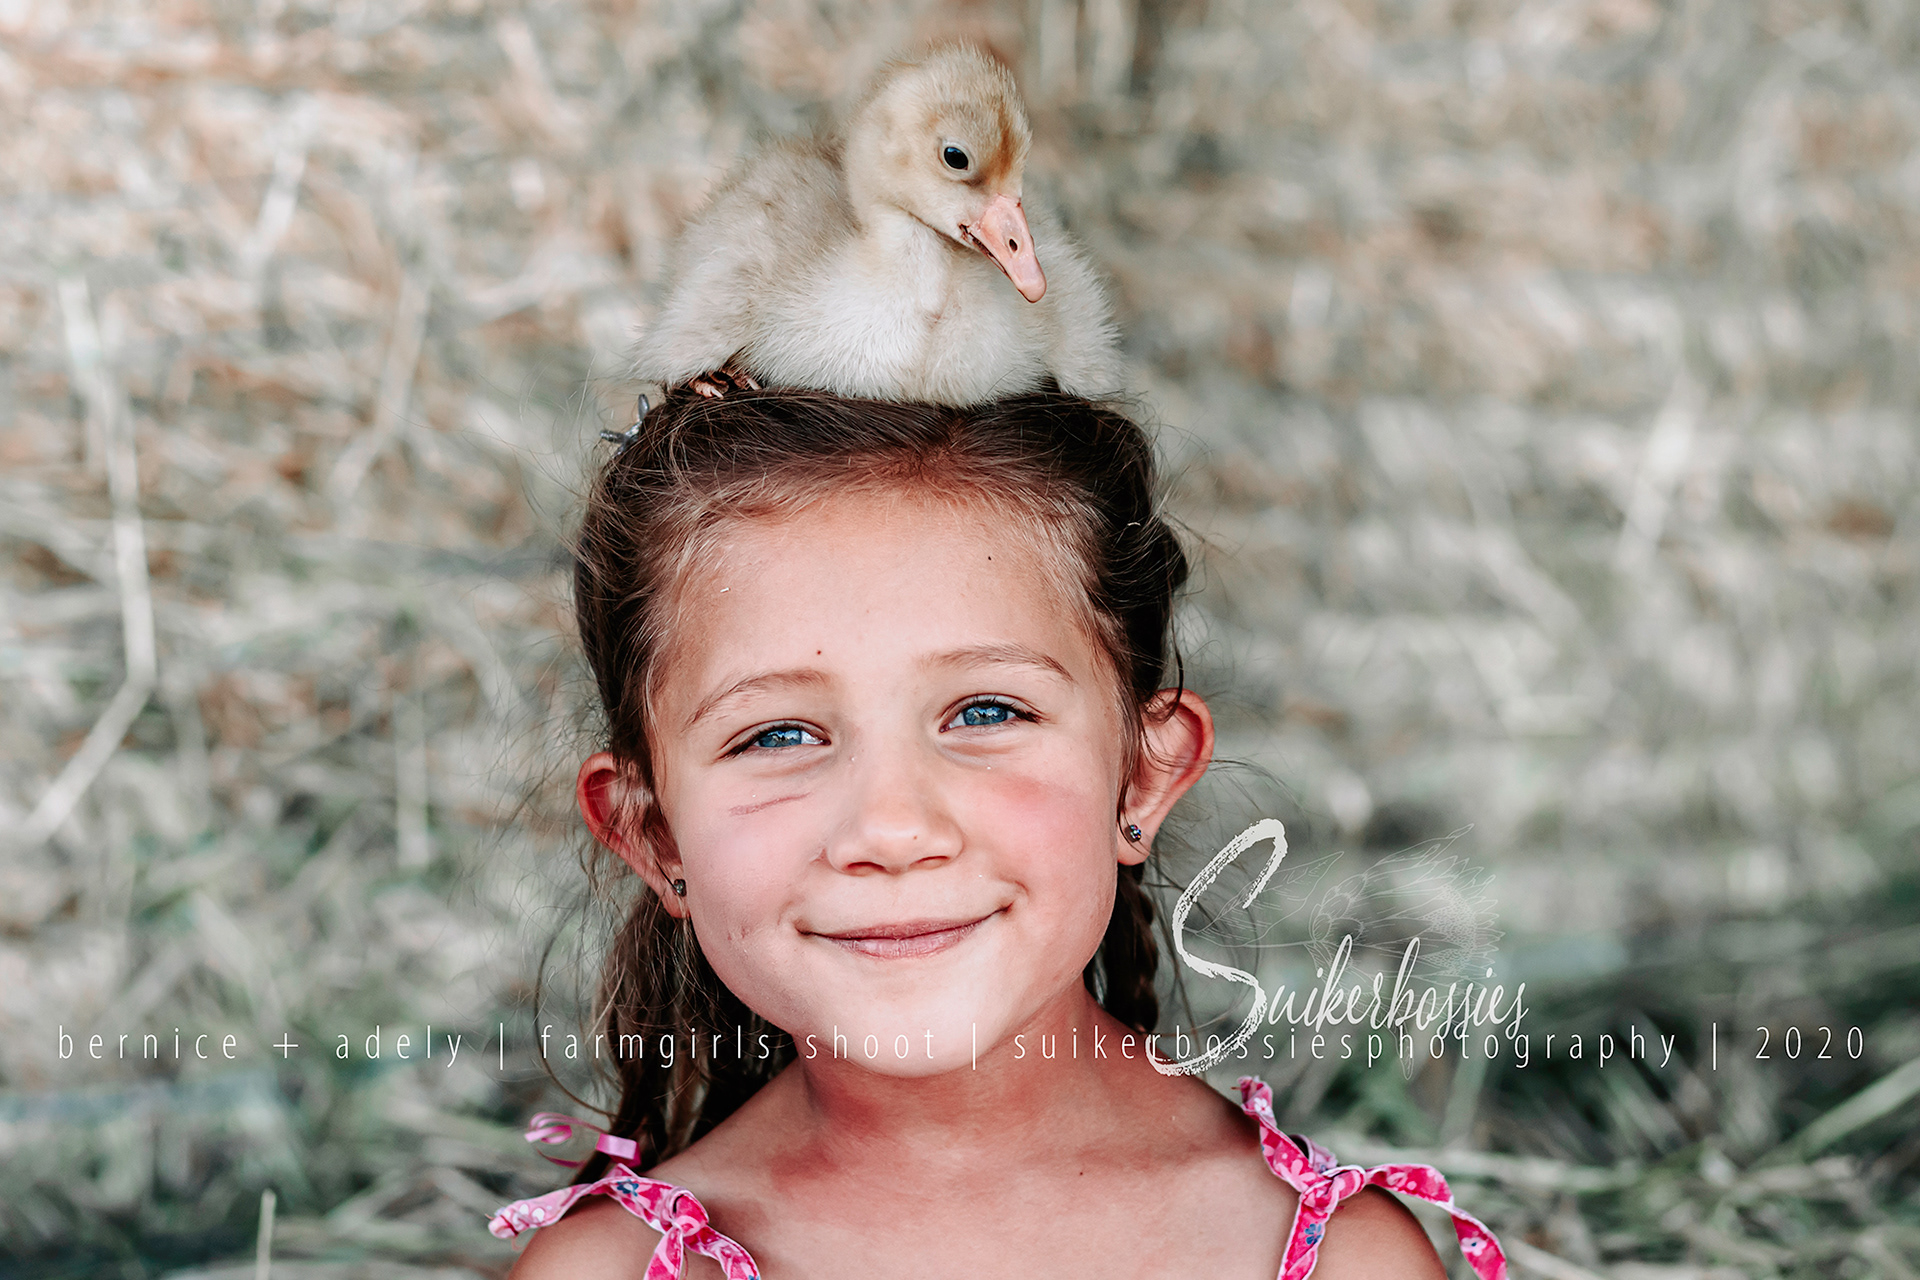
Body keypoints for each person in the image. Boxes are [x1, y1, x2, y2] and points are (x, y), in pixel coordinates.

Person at [488, 389, 1506, 1279]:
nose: (892, 828)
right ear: (657, 835)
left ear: (1140, 775)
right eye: (779, 734)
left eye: (985, 712)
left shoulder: (1335, 1260)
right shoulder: (612, 1272)